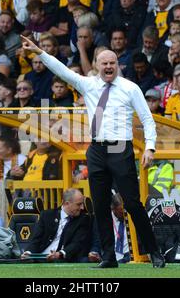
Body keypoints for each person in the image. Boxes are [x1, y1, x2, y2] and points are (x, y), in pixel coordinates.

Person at [21, 35, 165, 268]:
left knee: (132, 203)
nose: (108, 67)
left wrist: (149, 147)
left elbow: (148, 120)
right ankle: (108, 256)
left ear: (118, 65)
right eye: (104, 63)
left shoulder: (130, 88)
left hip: (121, 149)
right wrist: (39, 52)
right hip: (97, 149)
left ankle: (154, 252)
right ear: (97, 66)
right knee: (99, 205)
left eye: (112, 63)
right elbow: (62, 71)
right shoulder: (88, 85)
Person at [21, 188, 91, 263]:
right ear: (67, 203)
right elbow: (36, 239)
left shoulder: (83, 219)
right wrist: (28, 252)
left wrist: (60, 254)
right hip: (40, 258)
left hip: (61, 260)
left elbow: (76, 244)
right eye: (79, 204)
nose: (82, 207)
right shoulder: (47, 215)